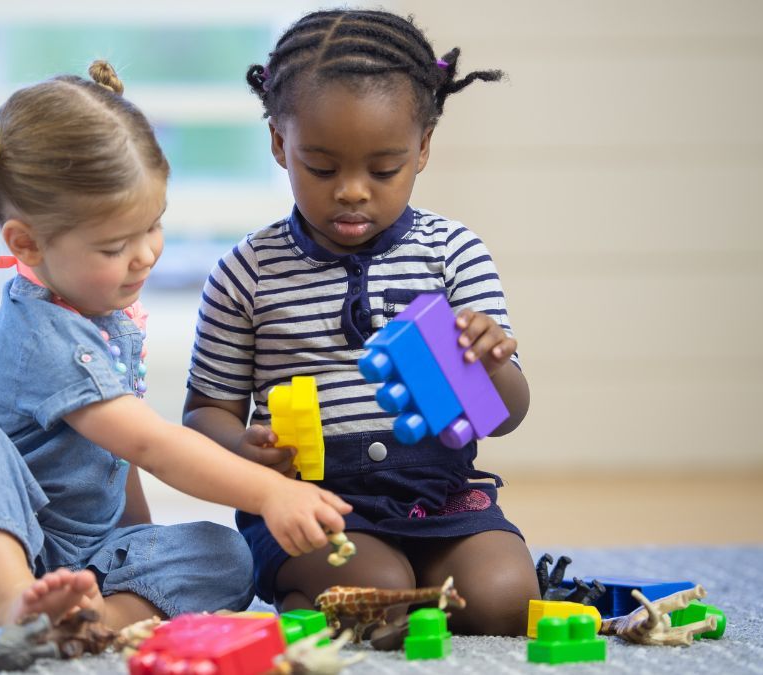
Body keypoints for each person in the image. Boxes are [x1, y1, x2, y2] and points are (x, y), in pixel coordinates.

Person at [0, 61, 351, 633]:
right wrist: (270, 491)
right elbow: (152, 444)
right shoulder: (40, 333)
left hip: (72, 559)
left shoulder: (106, 317)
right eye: (117, 245)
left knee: (229, 555)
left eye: (154, 225)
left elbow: (117, 457)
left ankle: (94, 618)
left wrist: (137, 550)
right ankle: (16, 607)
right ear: (27, 242)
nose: (147, 254)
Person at [183, 10, 540, 639]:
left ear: (423, 148)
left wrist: (489, 367)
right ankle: (323, 590)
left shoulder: (452, 253)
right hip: (312, 507)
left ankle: (405, 587)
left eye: (383, 170)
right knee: (379, 596)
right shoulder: (247, 272)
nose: (352, 191)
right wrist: (246, 451)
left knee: (507, 602)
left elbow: (504, 416)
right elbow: (204, 414)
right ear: (278, 143)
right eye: (321, 168)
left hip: (442, 496)